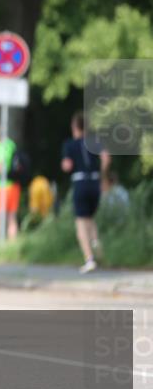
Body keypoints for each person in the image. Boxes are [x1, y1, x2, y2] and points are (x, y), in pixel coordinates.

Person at [61, 112, 111, 273]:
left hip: (80, 182)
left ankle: (89, 259)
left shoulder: (70, 144)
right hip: (95, 182)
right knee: (90, 217)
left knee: (81, 222)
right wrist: (103, 176)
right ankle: (96, 245)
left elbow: (67, 165)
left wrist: (65, 165)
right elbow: (106, 158)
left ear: (75, 127)